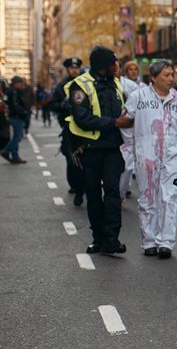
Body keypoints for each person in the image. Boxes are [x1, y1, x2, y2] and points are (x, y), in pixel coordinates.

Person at [66, 46, 130, 254]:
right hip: (90, 149)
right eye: (113, 63)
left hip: (112, 149)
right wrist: (114, 123)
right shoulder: (80, 86)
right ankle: (98, 238)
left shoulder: (117, 84)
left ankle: (111, 238)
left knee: (112, 192)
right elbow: (82, 119)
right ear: (104, 65)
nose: (116, 66)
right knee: (93, 194)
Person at [120, 60, 177, 258]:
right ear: (154, 77)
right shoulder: (139, 96)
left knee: (170, 197)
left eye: (172, 74)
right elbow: (125, 121)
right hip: (146, 157)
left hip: (171, 157)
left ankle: (166, 242)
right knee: (148, 197)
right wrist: (134, 146)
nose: (171, 78)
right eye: (166, 75)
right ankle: (149, 241)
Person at [50, 57, 85, 205]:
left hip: (85, 127)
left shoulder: (86, 83)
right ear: (67, 69)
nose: (74, 70)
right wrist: (63, 105)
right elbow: (53, 104)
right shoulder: (61, 86)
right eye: (71, 68)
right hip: (68, 129)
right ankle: (76, 187)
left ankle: (83, 188)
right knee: (71, 159)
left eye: (76, 67)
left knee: (87, 160)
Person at [119, 60, 147, 202]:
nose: (133, 72)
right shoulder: (121, 85)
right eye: (130, 69)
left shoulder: (143, 87)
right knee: (126, 164)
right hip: (126, 129)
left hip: (141, 129)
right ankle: (121, 192)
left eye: (136, 69)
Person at [1, 76, 29, 164]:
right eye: (20, 83)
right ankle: (6, 151)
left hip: (15, 116)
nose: (22, 85)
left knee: (16, 136)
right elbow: (15, 105)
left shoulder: (13, 91)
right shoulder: (13, 91)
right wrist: (24, 112)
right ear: (16, 83)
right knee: (18, 136)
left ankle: (15, 156)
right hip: (16, 117)